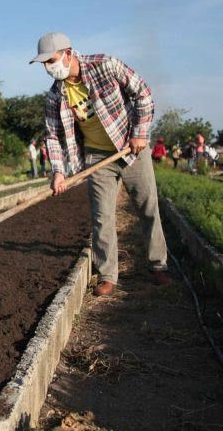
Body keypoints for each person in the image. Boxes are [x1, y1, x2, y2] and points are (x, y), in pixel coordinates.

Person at [30, 32, 170, 296]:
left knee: (148, 207)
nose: (49, 68)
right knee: (102, 217)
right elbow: (53, 136)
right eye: (44, 64)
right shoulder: (54, 96)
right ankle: (107, 275)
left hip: (130, 148)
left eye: (53, 60)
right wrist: (58, 172)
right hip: (96, 156)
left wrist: (140, 133)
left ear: (69, 53)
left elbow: (143, 93)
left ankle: (158, 265)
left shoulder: (106, 65)